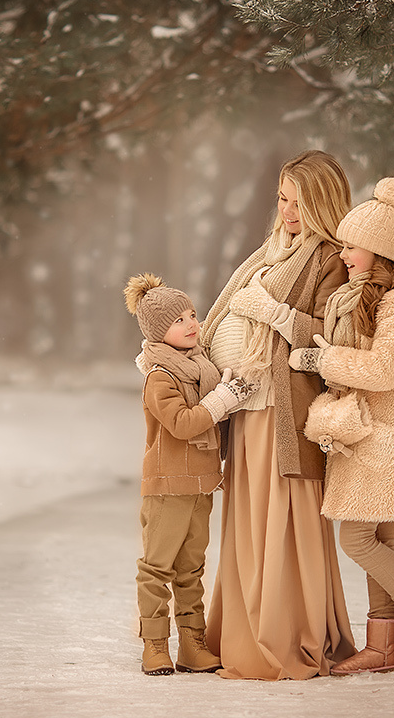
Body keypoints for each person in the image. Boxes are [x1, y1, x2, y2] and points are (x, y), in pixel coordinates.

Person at [288, 176, 394, 675]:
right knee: (379, 541)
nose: (343, 254)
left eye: (352, 246)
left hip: (387, 438)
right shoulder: (358, 295)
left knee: (356, 540)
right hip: (364, 436)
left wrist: (322, 363)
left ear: (378, 250)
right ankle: (383, 645)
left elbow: (383, 372)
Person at [199, 149, 357, 680]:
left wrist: (275, 313)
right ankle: (241, 630)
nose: (287, 212)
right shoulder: (270, 251)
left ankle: (290, 633)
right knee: (247, 521)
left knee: (286, 520)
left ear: (321, 204)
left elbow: (334, 335)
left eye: (298, 203)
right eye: (282, 199)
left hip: (287, 410)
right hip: (246, 403)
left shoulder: (333, 257)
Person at [124, 272, 259, 676]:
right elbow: (183, 423)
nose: (192, 324)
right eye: (178, 320)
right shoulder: (159, 377)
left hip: (201, 483)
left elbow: (213, 414)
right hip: (168, 486)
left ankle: (192, 644)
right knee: (157, 568)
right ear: (158, 331)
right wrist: (223, 400)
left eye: (192, 314)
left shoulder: (201, 368)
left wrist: (229, 396)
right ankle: (154, 645)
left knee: (191, 568)